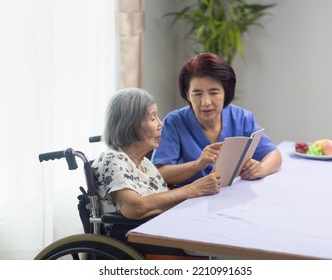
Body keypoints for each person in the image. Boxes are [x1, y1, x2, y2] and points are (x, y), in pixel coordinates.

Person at [152, 53, 282, 187]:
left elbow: (273, 153)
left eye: (214, 92)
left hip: (230, 197)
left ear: (226, 92)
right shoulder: (175, 122)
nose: (206, 102)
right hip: (189, 200)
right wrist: (197, 165)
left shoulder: (241, 118)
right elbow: (159, 173)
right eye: (197, 93)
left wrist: (261, 169)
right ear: (187, 95)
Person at [91, 87, 221, 221]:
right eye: (153, 118)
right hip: (133, 234)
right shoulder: (113, 159)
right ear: (131, 125)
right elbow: (134, 208)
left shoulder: (145, 163)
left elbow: (165, 199)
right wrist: (194, 189)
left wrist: (202, 192)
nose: (161, 124)